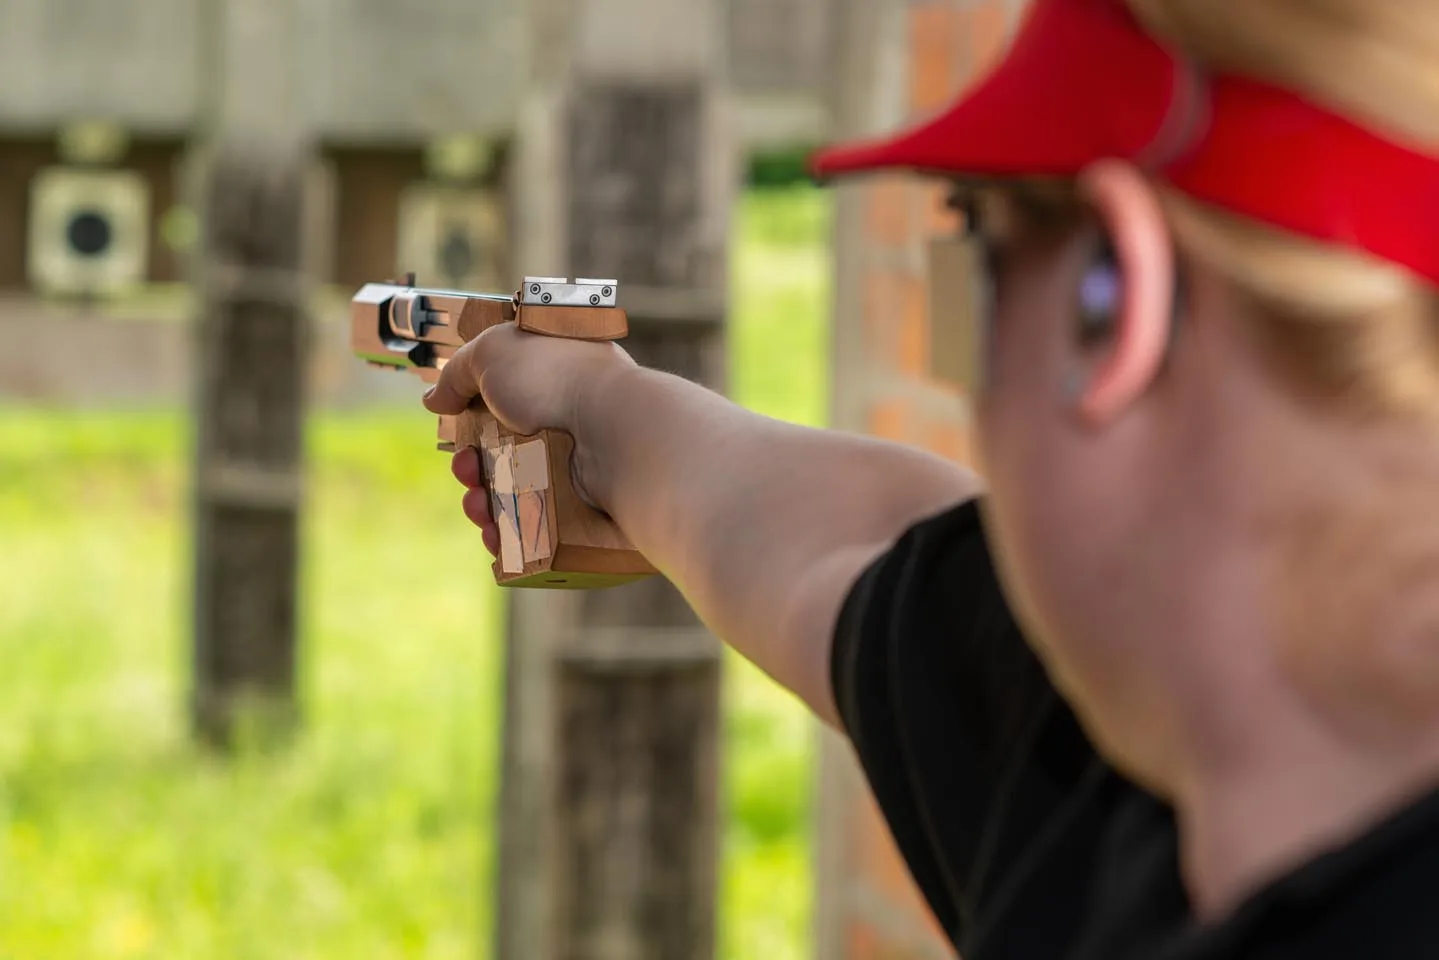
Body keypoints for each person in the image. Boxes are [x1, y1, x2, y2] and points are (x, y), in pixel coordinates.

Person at [424, 0, 1439, 955]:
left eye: (980, 261)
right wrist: (593, 404)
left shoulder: (1095, 799)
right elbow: (856, 545)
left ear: (1112, 305)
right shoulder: (1154, 742)